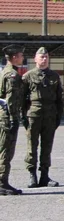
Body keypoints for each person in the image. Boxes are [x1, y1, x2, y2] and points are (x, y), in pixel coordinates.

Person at [21, 47, 64, 188]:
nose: (44, 59)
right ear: (35, 59)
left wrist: (59, 116)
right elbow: (22, 99)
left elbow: (59, 99)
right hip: (34, 114)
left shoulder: (54, 76)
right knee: (32, 146)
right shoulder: (28, 76)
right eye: (41, 57)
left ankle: (44, 175)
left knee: (47, 146)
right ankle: (32, 175)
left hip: (50, 115)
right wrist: (23, 116)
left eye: (46, 57)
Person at [0, 45, 26, 195]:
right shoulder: (12, 76)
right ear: (14, 57)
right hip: (7, 116)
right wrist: (12, 119)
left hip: (3, 115)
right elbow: (10, 99)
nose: (22, 58)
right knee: (6, 150)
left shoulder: (5, 71)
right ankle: (2, 182)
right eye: (21, 55)